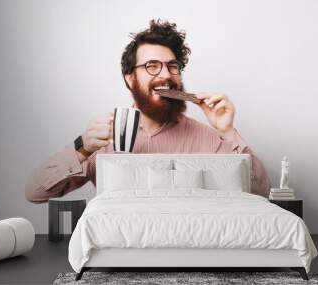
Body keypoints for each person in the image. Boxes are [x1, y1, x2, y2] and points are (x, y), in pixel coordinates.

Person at [25, 19, 270, 203]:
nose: (165, 75)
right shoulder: (104, 139)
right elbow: (35, 193)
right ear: (130, 78)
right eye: (152, 66)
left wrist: (227, 132)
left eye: (172, 66)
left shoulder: (208, 138)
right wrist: (82, 148)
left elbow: (259, 193)